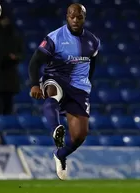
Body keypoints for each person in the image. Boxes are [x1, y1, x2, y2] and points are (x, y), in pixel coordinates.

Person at [28, 3, 100, 180]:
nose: (75, 20)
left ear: (84, 18)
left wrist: (87, 82)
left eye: (79, 17)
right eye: (71, 16)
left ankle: (60, 154)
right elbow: (34, 62)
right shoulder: (54, 38)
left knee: (79, 136)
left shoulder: (93, 41)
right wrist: (34, 85)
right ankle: (56, 129)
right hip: (56, 77)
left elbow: (93, 64)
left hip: (79, 88)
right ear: (67, 16)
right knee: (53, 92)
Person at [0, 10, 24, 115]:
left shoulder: (15, 36)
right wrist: (4, 58)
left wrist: (15, 57)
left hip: (10, 79)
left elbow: (21, 54)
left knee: (8, 108)